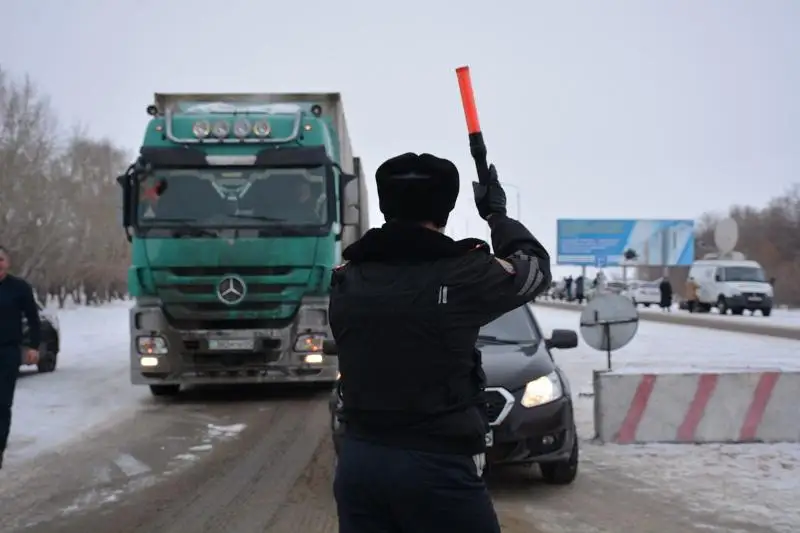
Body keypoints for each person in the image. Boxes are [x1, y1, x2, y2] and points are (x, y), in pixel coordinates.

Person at [329, 153, 551, 533]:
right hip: (437, 467)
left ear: (385, 205)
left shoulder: (348, 279)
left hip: (360, 464)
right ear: (446, 209)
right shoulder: (465, 274)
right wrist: (497, 215)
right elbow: (534, 269)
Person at [0, 246, 41, 470]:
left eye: (1, 260)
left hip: (7, 352)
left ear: (8, 262)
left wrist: (33, 346)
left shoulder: (19, 288)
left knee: (2, 403)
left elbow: (33, 319)